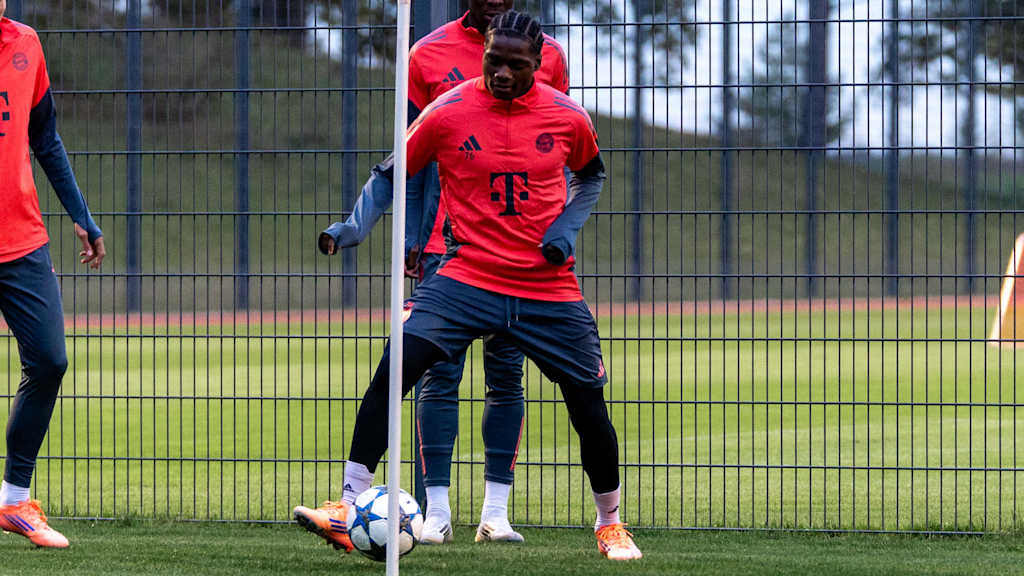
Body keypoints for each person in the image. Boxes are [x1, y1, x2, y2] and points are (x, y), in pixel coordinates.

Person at [295, 11, 641, 561]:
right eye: (493, 61)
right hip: (466, 277)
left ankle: (610, 524)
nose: (502, 73)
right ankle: (348, 503)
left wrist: (564, 230)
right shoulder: (449, 109)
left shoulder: (568, 116)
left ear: (539, 66)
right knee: (397, 364)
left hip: (546, 287)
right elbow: (393, 170)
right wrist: (353, 227)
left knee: (588, 404)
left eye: (516, 65)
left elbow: (592, 175)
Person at [318, 0, 568, 545]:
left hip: (518, 253)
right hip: (444, 248)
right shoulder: (426, 55)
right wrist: (408, 234)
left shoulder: (548, 56)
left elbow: (550, 144)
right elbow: (410, 153)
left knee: (507, 376)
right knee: (435, 376)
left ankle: (495, 515)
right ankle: (436, 514)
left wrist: (551, 235)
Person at [0, 0, 106, 549]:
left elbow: (45, 138)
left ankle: (15, 501)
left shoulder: (26, 45)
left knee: (49, 359)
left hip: (21, 239)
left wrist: (81, 217)